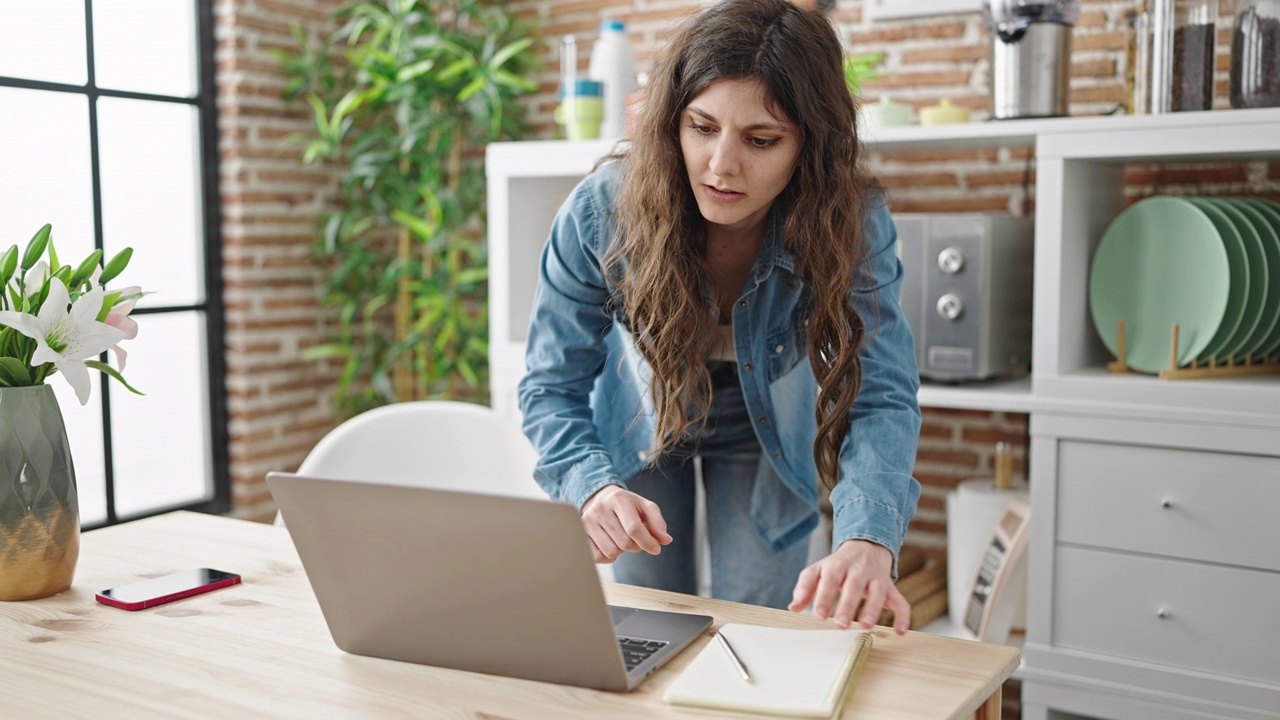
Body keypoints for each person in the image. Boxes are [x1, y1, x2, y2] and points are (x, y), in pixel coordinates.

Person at [517, 0, 921, 635]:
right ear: (670, 122)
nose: (721, 165)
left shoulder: (851, 221)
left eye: (761, 140)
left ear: (810, 147)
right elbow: (549, 384)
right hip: (640, 419)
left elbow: (883, 390)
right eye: (701, 128)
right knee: (651, 628)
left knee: (755, 631)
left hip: (768, 431)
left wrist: (868, 538)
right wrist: (591, 487)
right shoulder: (601, 211)